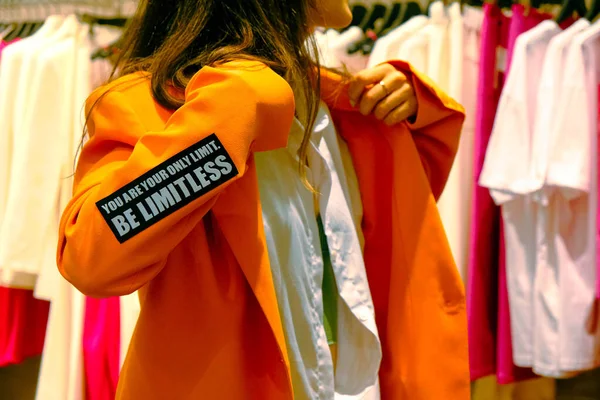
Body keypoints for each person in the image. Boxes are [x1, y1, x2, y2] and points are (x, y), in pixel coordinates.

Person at [57, 0, 470, 399]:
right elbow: (91, 259)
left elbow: (405, 222)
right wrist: (226, 120)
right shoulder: (157, 106)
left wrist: (418, 105)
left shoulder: (337, 105)